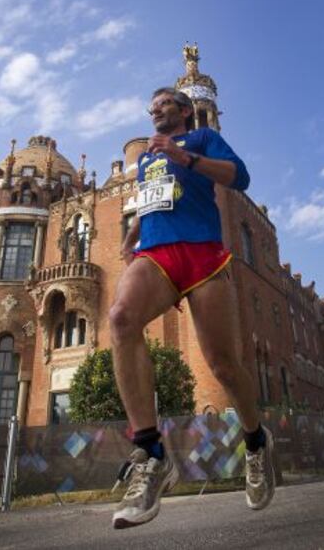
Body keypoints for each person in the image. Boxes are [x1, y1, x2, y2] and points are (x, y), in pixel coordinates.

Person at [109, 87, 275, 529]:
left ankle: (256, 441)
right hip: (158, 253)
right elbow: (154, 199)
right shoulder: (147, 157)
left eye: (164, 104)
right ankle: (151, 452)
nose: (155, 111)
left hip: (203, 254)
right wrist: (131, 239)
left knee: (223, 366)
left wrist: (187, 159)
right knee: (121, 318)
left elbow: (239, 177)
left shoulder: (200, 140)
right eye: (152, 107)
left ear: (183, 111)